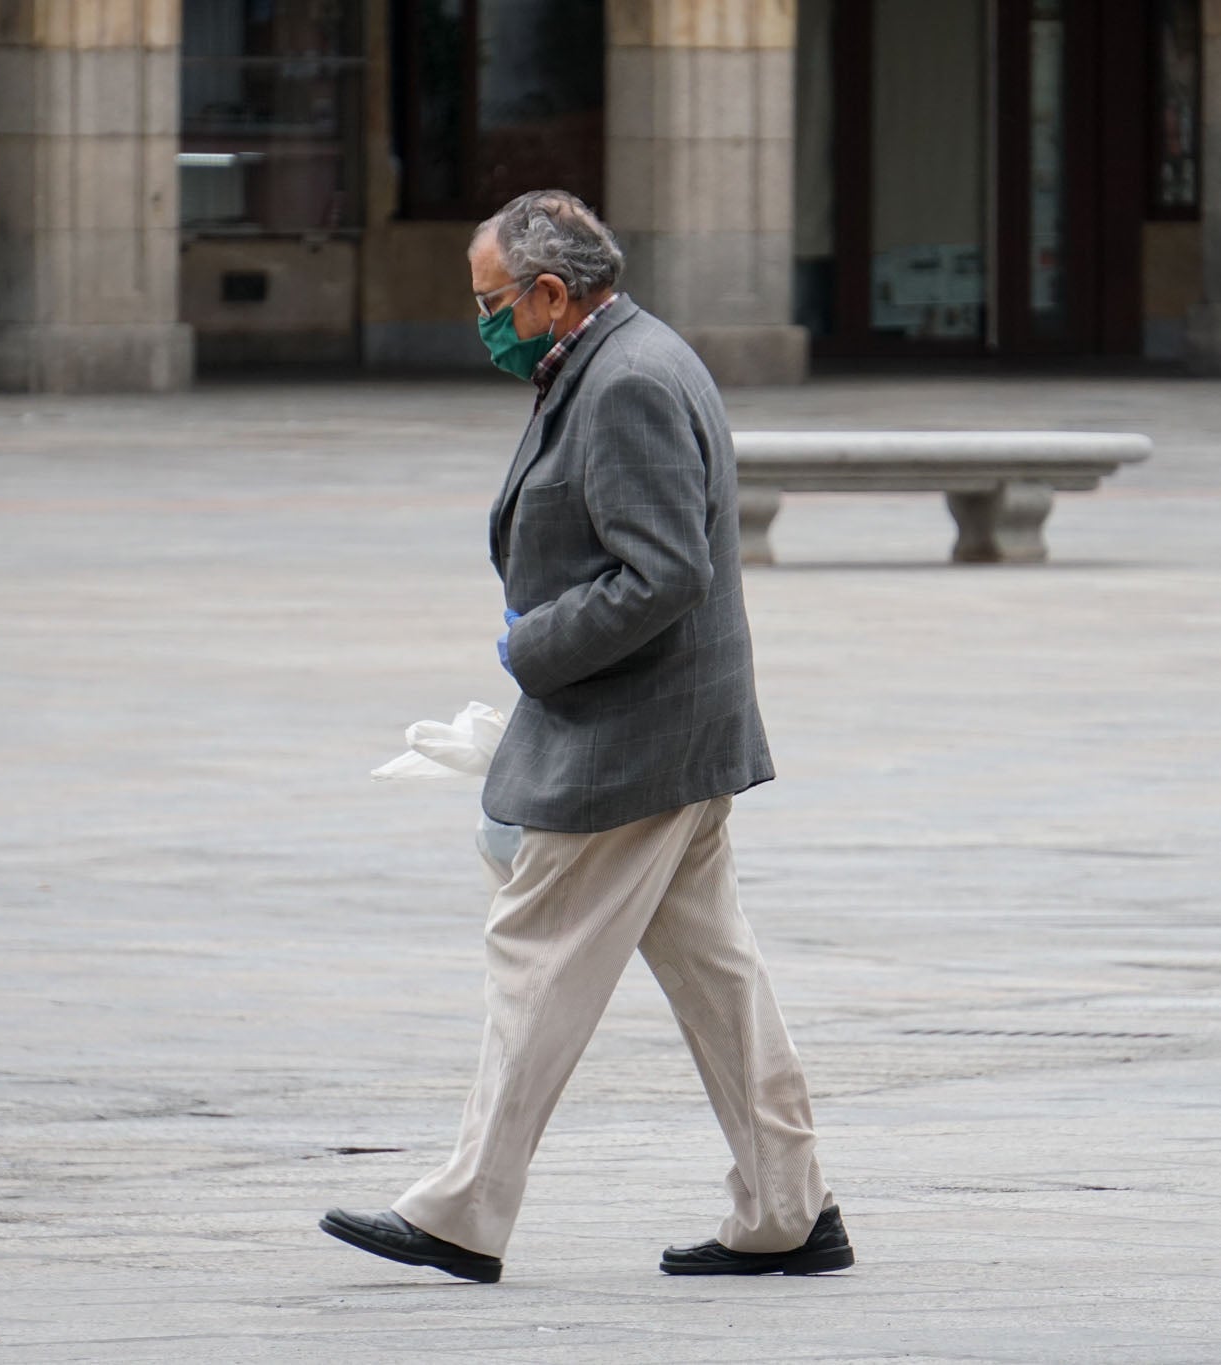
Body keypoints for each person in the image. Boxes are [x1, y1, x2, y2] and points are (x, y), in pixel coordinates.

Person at [321, 190, 850, 1284]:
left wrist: (531, 646)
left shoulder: (627, 382)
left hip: (633, 739)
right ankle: (788, 1208)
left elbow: (663, 573)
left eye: (491, 302)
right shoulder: (616, 358)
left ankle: (462, 1211)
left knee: (535, 953)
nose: (484, 323)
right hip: (670, 732)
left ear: (551, 294)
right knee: (718, 977)